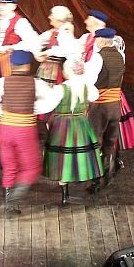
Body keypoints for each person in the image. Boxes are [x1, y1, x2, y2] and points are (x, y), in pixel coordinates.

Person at [0, 50, 61, 214]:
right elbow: (52, 100)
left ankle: (8, 203)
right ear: (28, 66)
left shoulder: (1, 83)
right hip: (25, 129)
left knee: (10, 166)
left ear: (11, 65)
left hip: (5, 128)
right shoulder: (36, 83)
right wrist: (34, 108)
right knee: (32, 167)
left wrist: (0, 110)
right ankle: (14, 198)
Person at [84, 27, 134, 192]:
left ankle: (95, 180)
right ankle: (108, 173)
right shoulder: (120, 55)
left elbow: (89, 80)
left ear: (101, 40)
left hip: (101, 105)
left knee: (95, 140)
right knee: (110, 140)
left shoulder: (98, 57)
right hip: (116, 105)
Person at [42, 58, 103, 206]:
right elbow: (95, 96)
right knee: (82, 153)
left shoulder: (60, 89)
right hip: (81, 123)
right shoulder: (87, 87)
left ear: (68, 72)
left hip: (62, 125)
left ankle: (65, 195)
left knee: (63, 158)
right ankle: (87, 177)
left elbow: (48, 105)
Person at [34, 5, 76, 87]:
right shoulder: (54, 31)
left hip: (56, 69)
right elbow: (36, 41)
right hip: (48, 68)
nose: (49, 17)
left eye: (51, 15)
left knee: (51, 90)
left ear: (58, 18)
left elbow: (65, 49)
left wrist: (46, 53)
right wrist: (36, 52)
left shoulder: (66, 30)